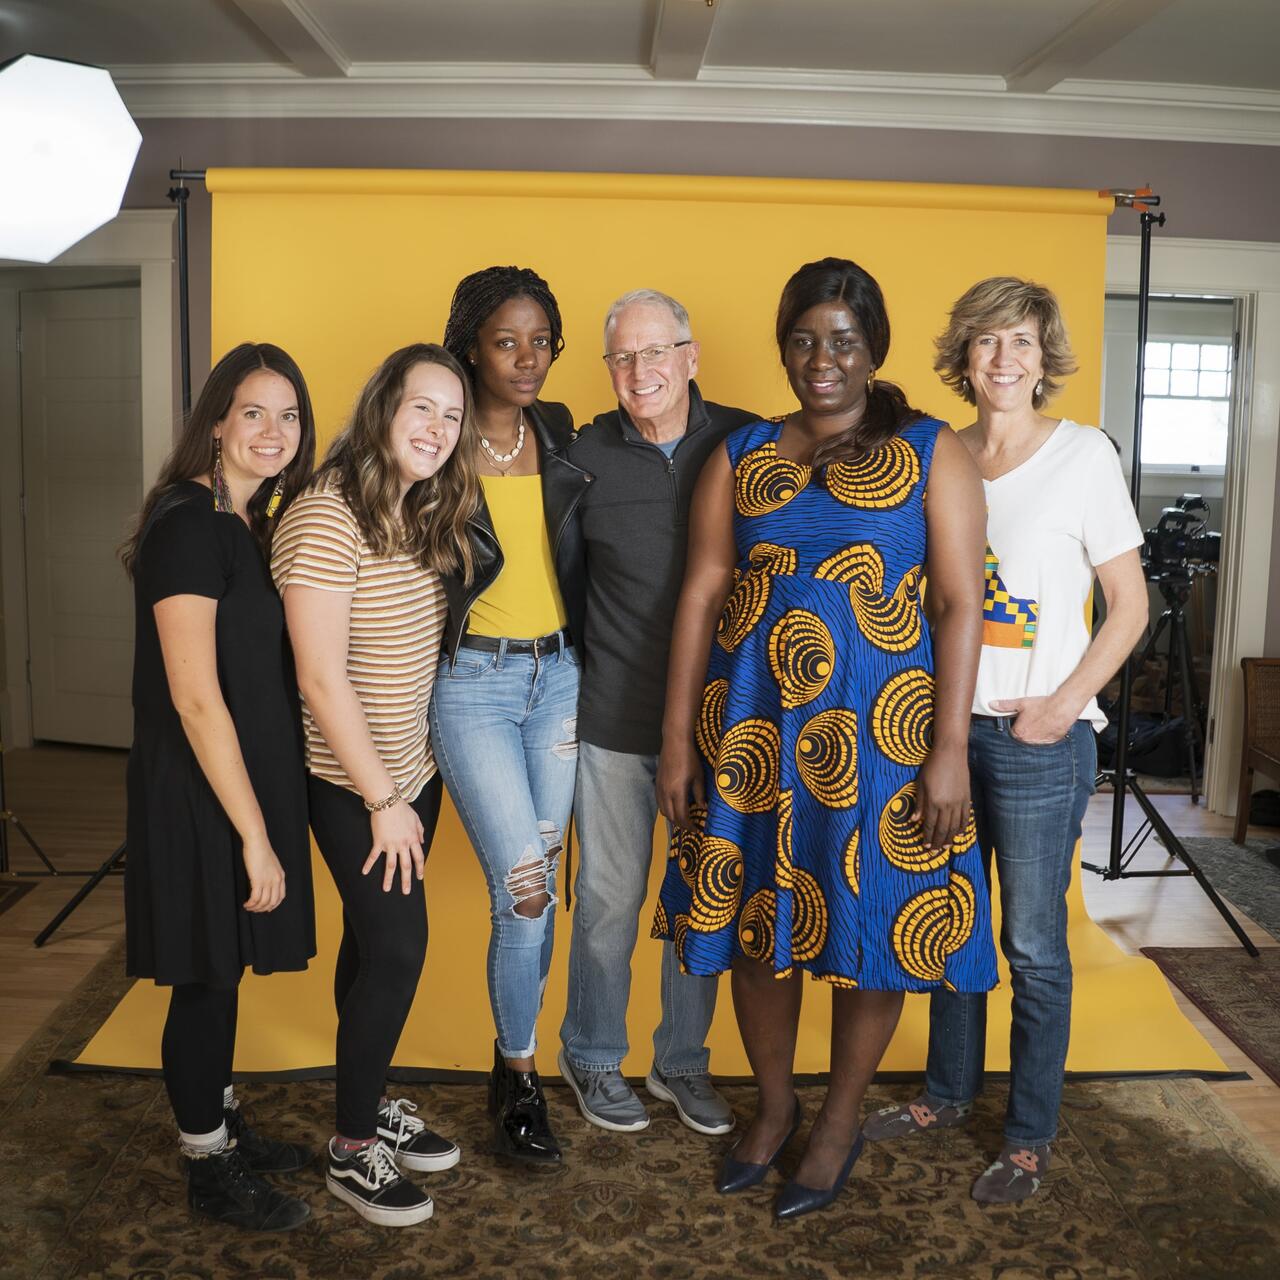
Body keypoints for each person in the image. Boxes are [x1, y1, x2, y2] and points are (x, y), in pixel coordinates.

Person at [655, 257, 999, 1221]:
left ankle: (840, 1120)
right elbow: (702, 589)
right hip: (754, 732)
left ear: (874, 349)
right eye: (804, 339)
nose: (823, 359)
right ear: (783, 346)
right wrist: (678, 739)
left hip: (885, 737)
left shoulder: (932, 450)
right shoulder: (744, 453)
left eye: (843, 340)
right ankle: (774, 1109)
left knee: (872, 926)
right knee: (759, 923)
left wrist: (949, 751)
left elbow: (960, 604)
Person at [863, 276, 1148, 1204]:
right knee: (951, 927)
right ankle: (946, 1095)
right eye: (986, 341)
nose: (1002, 360)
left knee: (1031, 946)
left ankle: (1027, 1136)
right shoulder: (939, 453)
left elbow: (1130, 604)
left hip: (1035, 740)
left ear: (1044, 357)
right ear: (963, 355)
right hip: (943, 737)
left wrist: (1064, 704)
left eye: (1021, 342)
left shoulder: (1083, 458)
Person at [272, 343, 480, 1227]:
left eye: (452, 415)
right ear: (382, 409)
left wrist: (409, 787)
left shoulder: (415, 508)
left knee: (371, 945)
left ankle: (369, 1104)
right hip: (354, 786)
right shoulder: (326, 516)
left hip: (411, 773)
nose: (436, 428)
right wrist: (384, 802)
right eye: (421, 407)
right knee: (396, 950)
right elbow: (320, 680)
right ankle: (354, 1150)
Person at [121, 342, 318, 1232]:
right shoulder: (189, 525)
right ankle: (207, 1166)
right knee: (204, 978)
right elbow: (196, 699)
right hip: (200, 792)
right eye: (253, 412)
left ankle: (219, 1123)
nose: (274, 432)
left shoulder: (239, 521)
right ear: (216, 422)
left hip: (233, 784)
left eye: (289, 415)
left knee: (222, 971)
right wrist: (253, 834)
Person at [557, 289, 756, 1137]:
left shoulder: (749, 442)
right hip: (612, 722)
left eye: (655, 352)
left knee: (703, 897)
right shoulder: (579, 457)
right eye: (621, 358)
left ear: (691, 355)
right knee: (608, 901)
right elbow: (562, 586)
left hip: (725, 723)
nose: (639, 373)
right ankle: (595, 1057)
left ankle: (681, 1063)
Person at [431, 266, 589, 1166]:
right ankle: (522, 1080)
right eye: (506, 341)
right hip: (473, 688)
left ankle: (510, 1062)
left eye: (541, 342)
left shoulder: (559, 433)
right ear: (469, 346)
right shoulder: (438, 440)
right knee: (522, 887)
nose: (527, 360)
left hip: (558, 681)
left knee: (545, 889)